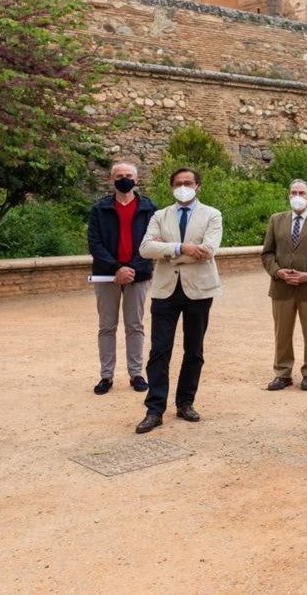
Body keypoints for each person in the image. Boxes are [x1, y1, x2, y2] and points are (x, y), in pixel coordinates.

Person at [135, 167, 222, 433]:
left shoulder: (212, 214)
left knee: (193, 350)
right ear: (171, 187)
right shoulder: (160, 216)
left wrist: (167, 251)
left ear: (198, 186)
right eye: (178, 183)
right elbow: (145, 248)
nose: (183, 186)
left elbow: (208, 251)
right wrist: (181, 248)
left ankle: (186, 402)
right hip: (165, 290)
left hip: (199, 290)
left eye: (188, 182)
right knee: (159, 350)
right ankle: (155, 409)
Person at [87, 161, 156, 395]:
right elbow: (94, 244)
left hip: (138, 274)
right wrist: (117, 268)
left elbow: (152, 242)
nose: (123, 179)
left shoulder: (148, 208)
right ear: (111, 180)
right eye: (119, 175)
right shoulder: (100, 208)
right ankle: (106, 376)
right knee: (107, 326)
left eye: (128, 175)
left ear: (136, 180)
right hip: (107, 275)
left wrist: (131, 269)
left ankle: (136, 373)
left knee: (135, 325)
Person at [261, 179, 307, 392]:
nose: (297, 196)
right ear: (288, 195)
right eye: (293, 192)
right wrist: (277, 272)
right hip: (282, 287)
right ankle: (282, 373)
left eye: (301, 192)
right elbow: (267, 252)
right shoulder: (276, 220)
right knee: (282, 332)